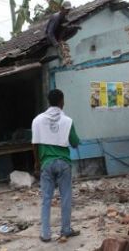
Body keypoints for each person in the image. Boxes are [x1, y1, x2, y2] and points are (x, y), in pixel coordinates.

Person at [32, 89, 80, 242]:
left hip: (46, 163)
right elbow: (75, 142)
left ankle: (46, 234)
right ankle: (65, 230)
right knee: (65, 197)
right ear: (61, 101)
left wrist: (37, 163)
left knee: (46, 199)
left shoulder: (37, 120)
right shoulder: (68, 121)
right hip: (64, 163)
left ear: (48, 101)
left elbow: (34, 144)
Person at [45, 1, 80, 65]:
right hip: (50, 37)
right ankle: (63, 58)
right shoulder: (56, 17)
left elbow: (66, 28)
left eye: (68, 10)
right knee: (60, 48)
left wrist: (74, 27)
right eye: (66, 10)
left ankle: (61, 42)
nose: (67, 11)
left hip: (59, 36)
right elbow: (50, 32)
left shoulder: (65, 18)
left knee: (73, 28)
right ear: (62, 9)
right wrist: (56, 44)